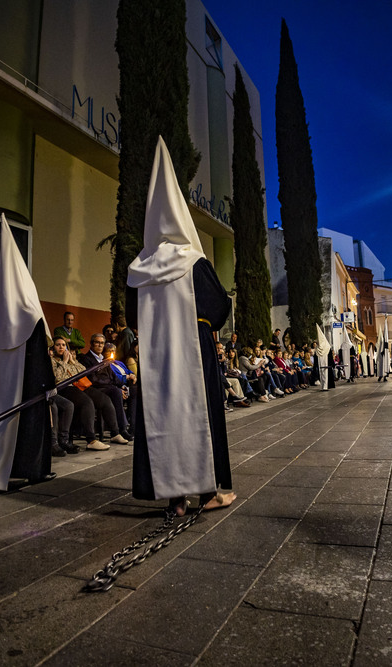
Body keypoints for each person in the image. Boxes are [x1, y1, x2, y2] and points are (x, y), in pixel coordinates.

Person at [126, 137, 235, 516]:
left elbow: (130, 319)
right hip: (194, 352)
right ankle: (207, 493)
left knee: (163, 420)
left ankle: (174, 499)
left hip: (156, 357)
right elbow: (219, 307)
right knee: (198, 416)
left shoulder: (138, 271)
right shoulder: (193, 262)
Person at [50, 336, 118, 450]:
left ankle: (116, 433)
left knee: (104, 399)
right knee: (87, 402)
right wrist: (65, 362)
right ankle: (91, 439)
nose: (61, 347)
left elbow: (83, 372)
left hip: (78, 386)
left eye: (63, 345)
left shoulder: (70, 359)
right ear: (53, 347)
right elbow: (57, 378)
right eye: (58, 345)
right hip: (64, 388)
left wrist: (72, 362)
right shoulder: (52, 360)